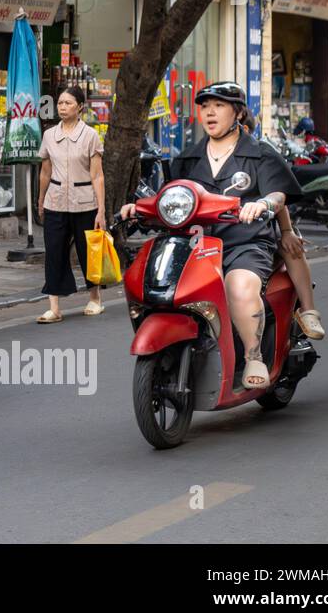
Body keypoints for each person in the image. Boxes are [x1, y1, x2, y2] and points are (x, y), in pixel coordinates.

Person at [120, 82, 301, 389]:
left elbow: (278, 194)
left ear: (238, 112)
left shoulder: (259, 154)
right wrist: (138, 208)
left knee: (240, 288)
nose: (210, 112)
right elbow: (173, 199)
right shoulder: (187, 159)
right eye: (204, 107)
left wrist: (263, 204)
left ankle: (253, 354)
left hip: (244, 242)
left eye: (218, 105)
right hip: (195, 245)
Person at [238, 108, 325, 340]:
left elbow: (279, 200)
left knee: (292, 246)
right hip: (222, 232)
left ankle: (308, 310)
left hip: (260, 228)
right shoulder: (206, 156)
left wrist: (286, 232)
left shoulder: (261, 155)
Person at [36, 86, 107, 323]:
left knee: (88, 252)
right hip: (55, 200)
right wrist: (40, 198)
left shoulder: (90, 135)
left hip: (84, 202)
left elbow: (97, 175)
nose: (62, 107)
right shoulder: (49, 135)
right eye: (60, 103)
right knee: (54, 251)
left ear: (80, 107)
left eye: (68, 103)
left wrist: (101, 210)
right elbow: (45, 172)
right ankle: (54, 307)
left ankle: (95, 298)